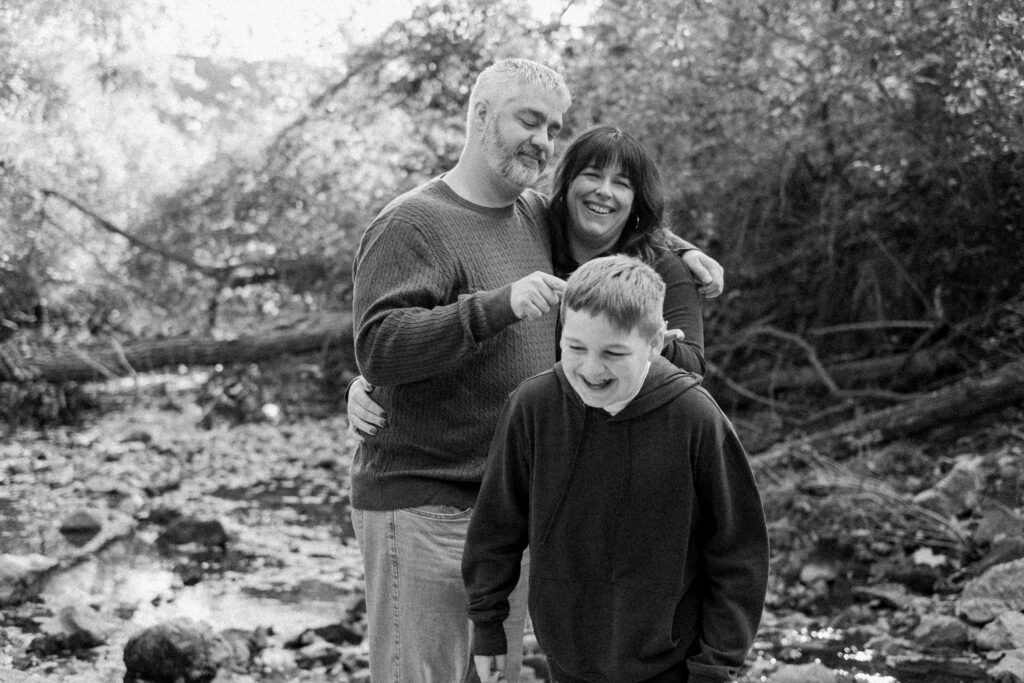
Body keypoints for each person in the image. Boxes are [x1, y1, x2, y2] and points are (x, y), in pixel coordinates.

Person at [350, 58, 723, 682]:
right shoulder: (412, 222)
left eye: (553, 128)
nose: (543, 141)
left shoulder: (530, 215)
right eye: (529, 119)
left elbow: (608, 215)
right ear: (480, 115)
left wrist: (683, 248)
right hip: (425, 506)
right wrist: (493, 309)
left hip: (508, 511)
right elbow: (380, 345)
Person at [463, 255, 769, 683]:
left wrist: (715, 667)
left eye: (613, 353)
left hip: (672, 665)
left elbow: (738, 556)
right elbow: (497, 527)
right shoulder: (532, 408)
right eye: (575, 348)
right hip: (567, 657)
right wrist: (488, 627)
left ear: (656, 342)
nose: (590, 368)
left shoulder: (696, 420)